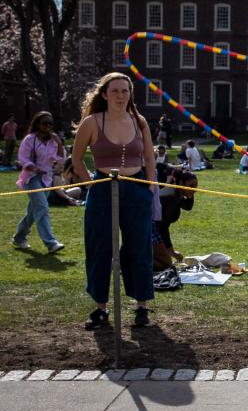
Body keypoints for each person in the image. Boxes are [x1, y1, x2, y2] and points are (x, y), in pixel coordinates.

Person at [70, 73, 158, 329]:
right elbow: (76, 160)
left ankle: (142, 306)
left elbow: (150, 158)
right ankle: (100, 307)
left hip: (136, 190)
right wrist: (90, 186)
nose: (121, 96)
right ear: (105, 94)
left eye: (125, 91)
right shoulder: (92, 122)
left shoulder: (139, 122)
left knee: (139, 248)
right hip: (103, 190)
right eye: (116, 91)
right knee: (101, 248)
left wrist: (149, 187)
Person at [11, 111, 66, 253]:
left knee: (33, 211)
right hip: (31, 177)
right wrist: (34, 168)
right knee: (42, 207)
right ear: (37, 124)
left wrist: (59, 143)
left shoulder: (53, 141)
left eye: (51, 124)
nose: (48, 126)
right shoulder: (30, 139)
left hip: (46, 179)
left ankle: (19, 238)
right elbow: (23, 158)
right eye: (45, 123)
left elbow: (61, 160)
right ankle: (51, 243)